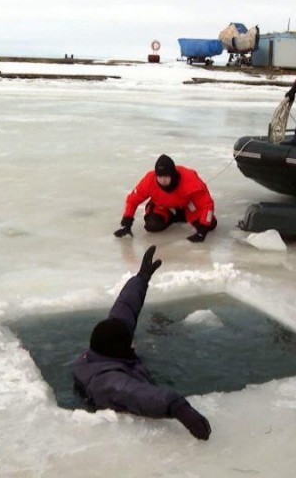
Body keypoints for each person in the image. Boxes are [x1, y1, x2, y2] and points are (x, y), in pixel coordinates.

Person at [71, 245, 212, 440]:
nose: (134, 342)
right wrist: (178, 406)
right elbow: (135, 393)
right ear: (121, 349)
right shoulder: (107, 381)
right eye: (130, 342)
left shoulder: (102, 350)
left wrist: (141, 279)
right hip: (110, 407)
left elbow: (124, 309)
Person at [114, 154, 217, 243]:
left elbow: (207, 205)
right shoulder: (150, 179)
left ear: (173, 175)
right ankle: (170, 217)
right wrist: (127, 221)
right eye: (159, 177)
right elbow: (133, 200)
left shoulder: (190, 179)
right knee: (152, 225)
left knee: (210, 224)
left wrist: (202, 231)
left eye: (166, 177)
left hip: (187, 207)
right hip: (163, 206)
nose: (162, 180)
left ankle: (182, 216)